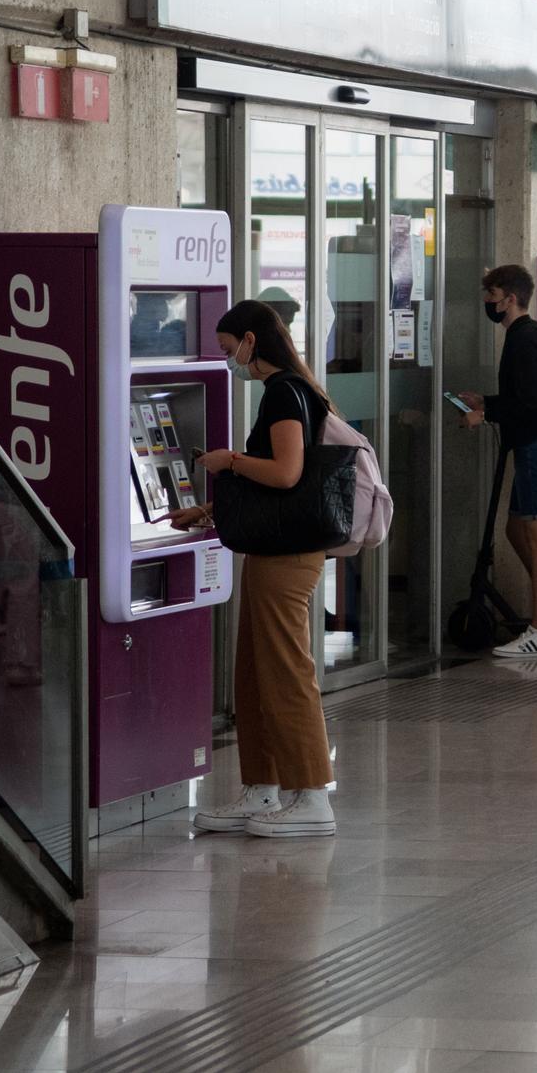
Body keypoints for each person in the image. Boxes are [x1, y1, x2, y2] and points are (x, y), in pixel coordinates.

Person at [178, 300, 338, 838]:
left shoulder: (283, 392)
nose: (229, 362)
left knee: (287, 672)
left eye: (229, 351)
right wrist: (206, 512)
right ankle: (263, 788)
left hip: (288, 556)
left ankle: (312, 795)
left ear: (250, 341)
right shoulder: (293, 389)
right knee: (253, 673)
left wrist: (230, 462)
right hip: (273, 549)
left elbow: (287, 473)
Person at [460, 265, 537, 658]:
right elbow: (524, 395)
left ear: (509, 298)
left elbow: (532, 402)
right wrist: (486, 402)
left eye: (491, 294)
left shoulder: (525, 339)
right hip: (528, 446)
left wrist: (485, 415)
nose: (487, 302)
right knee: (515, 530)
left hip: (534, 448)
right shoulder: (524, 336)